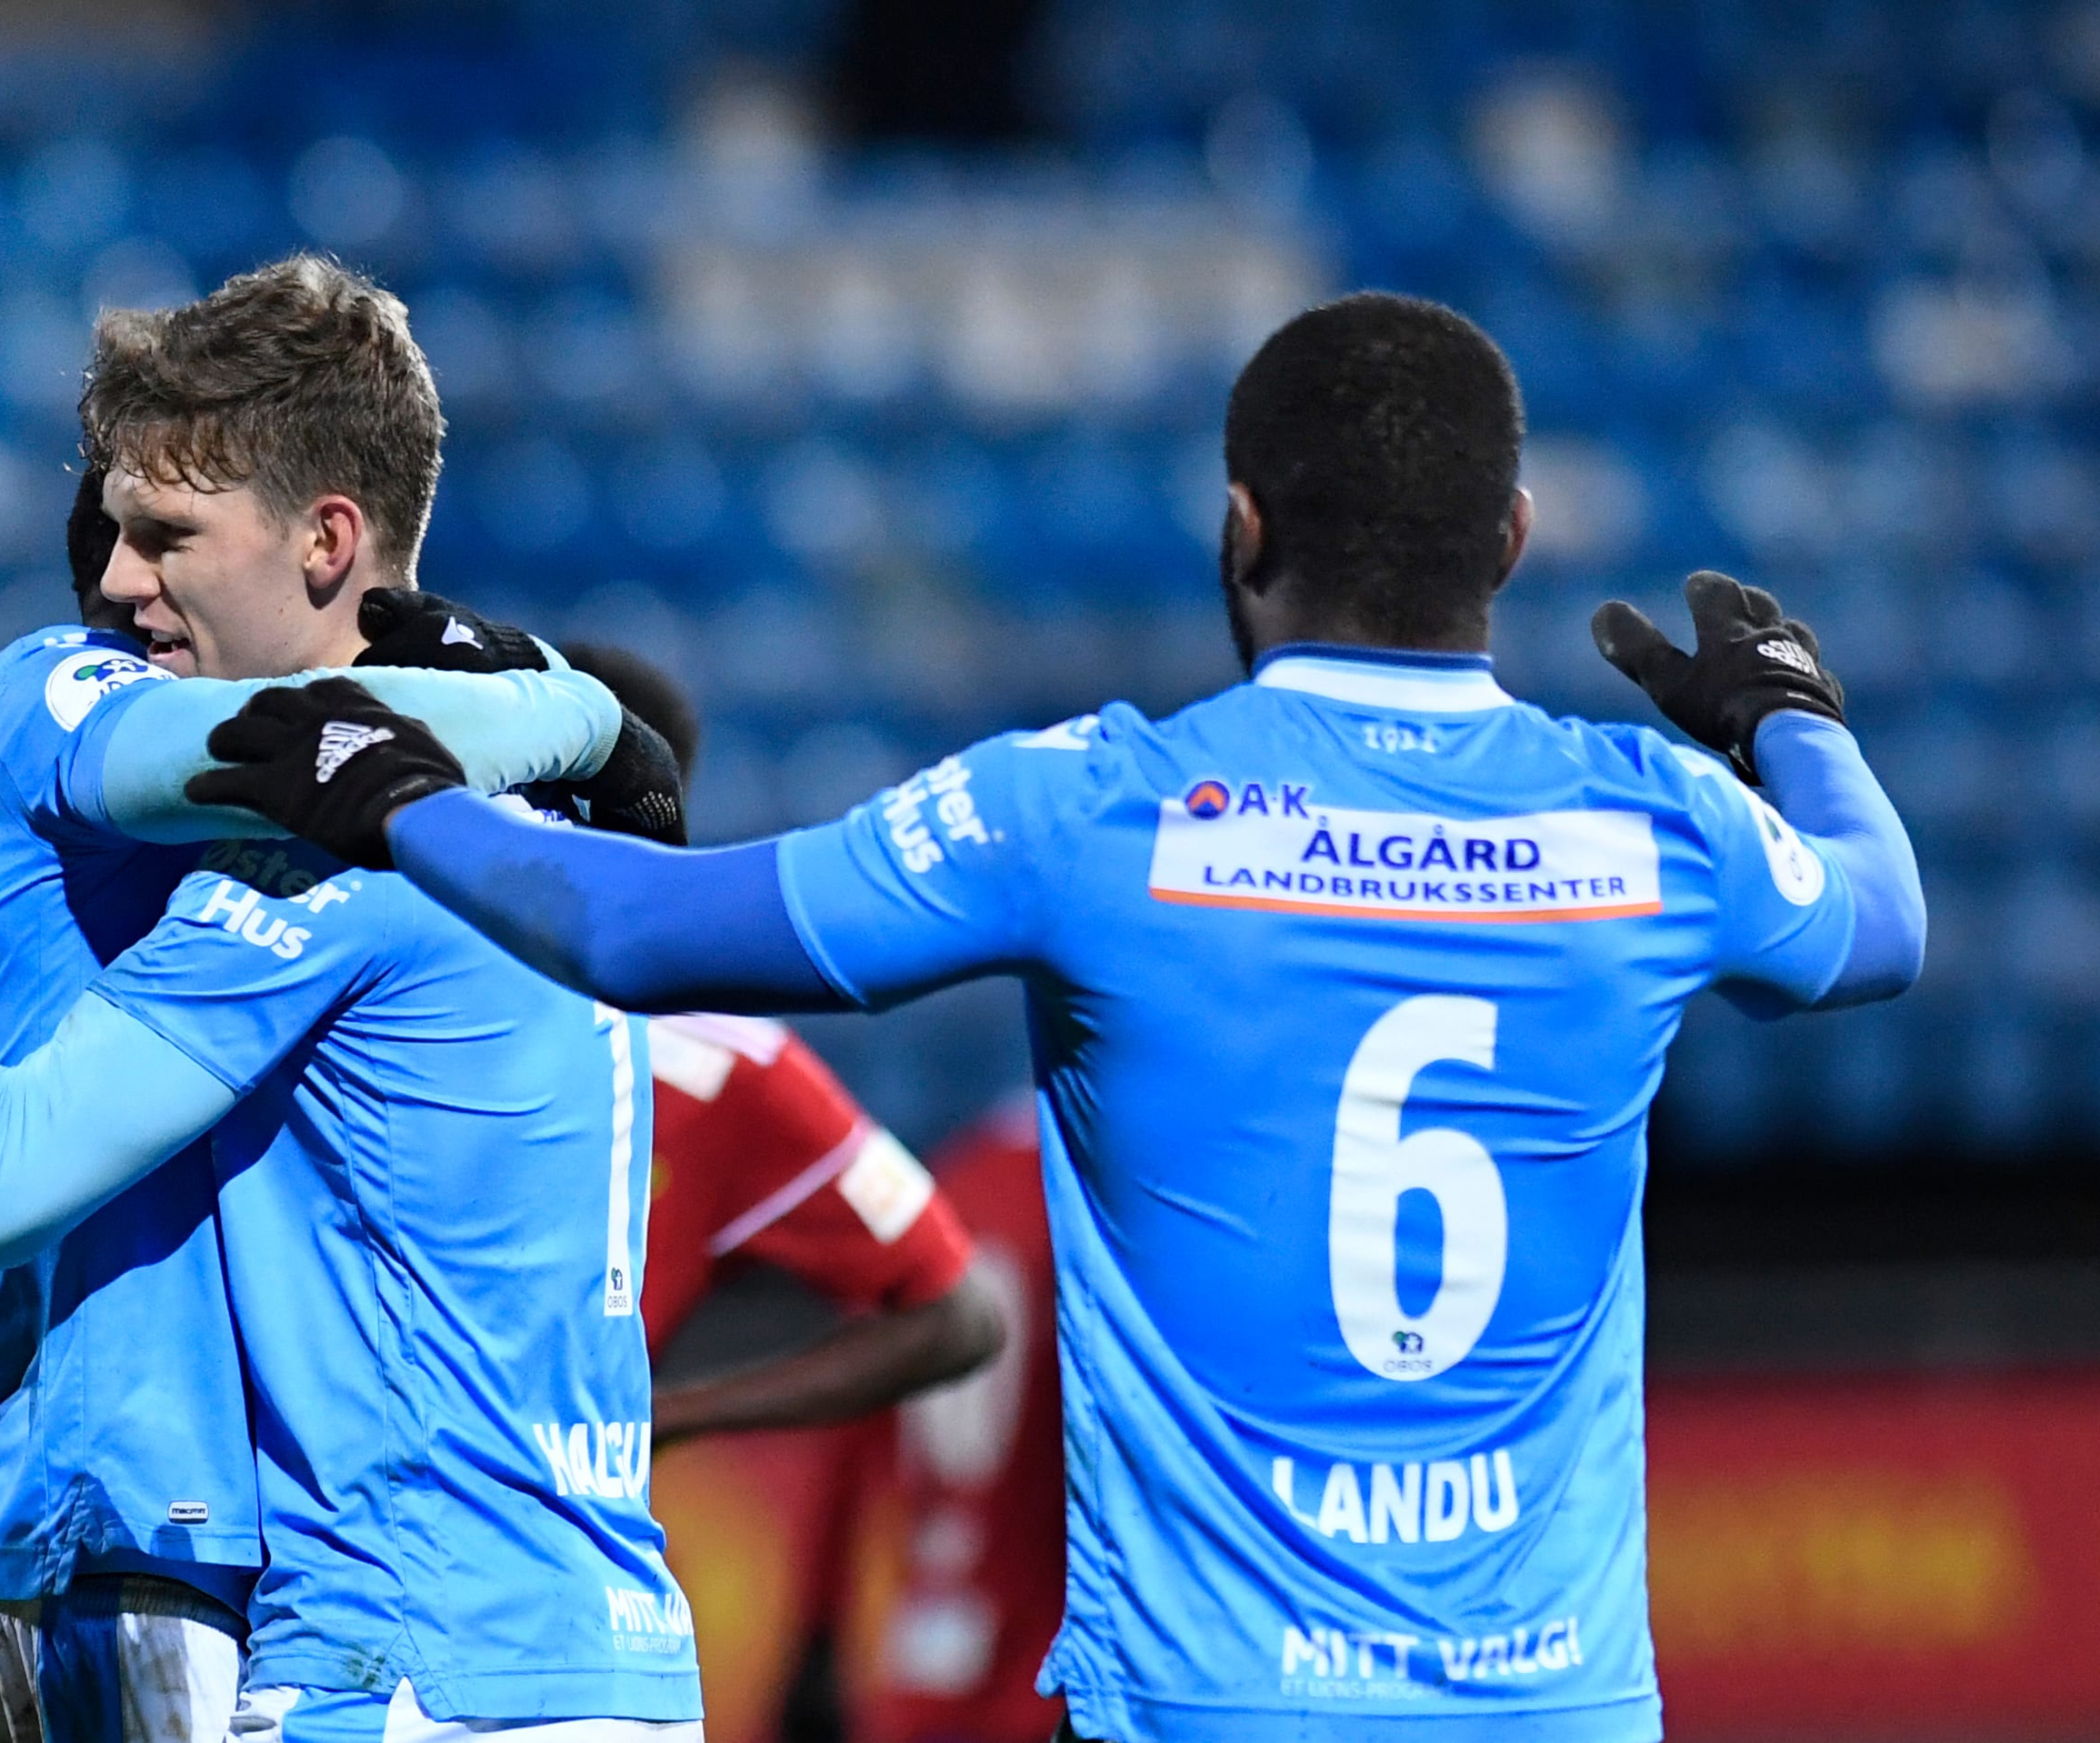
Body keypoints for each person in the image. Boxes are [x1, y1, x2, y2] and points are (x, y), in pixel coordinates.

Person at [182, 293, 1928, 1743]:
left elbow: (635, 930)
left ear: (1238, 528)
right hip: (1555, 1706)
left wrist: (395, 792)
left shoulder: (1096, 811)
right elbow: (1881, 919)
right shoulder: (1649, 823)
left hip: (1208, 1705)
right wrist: (1787, 718)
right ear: (1512, 539)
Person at [0, 255, 703, 1743]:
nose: (124, 585)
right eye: (116, 533)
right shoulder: (549, 833)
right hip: (608, 1639)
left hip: (385, 1652)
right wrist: (587, 716)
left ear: (324, 539)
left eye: (168, 535)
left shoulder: (324, 858)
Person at [555, 645, 1004, 1443]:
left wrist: (656, 1421)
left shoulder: (722, 1066)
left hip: (543, 1510)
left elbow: (957, 1317)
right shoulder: (372, 984)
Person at [837, 1095, 1064, 1743]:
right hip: (1044, 1676)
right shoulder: (1093, 1199)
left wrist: (814, 1636)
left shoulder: (946, 1179)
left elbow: (849, 1429)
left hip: (920, 1657)